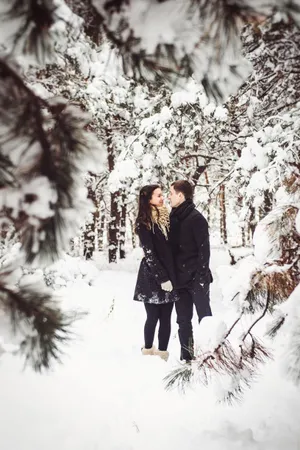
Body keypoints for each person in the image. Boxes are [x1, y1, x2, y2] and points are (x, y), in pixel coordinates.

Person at [169, 180, 213, 362]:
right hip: (179, 280)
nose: (168, 196)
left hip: (197, 278)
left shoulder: (197, 218)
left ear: (180, 196)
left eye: (171, 193)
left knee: (205, 319)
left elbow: (204, 251)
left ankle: (211, 356)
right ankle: (187, 358)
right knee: (183, 321)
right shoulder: (173, 217)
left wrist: (201, 278)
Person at [133, 184, 178, 361]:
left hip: (170, 274)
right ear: (148, 199)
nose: (162, 198)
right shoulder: (143, 222)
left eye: (162, 195)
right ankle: (148, 350)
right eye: (158, 195)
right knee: (152, 316)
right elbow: (149, 253)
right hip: (152, 276)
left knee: (166, 318)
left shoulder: (167, 218)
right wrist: (162, 278)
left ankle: (162, 354)